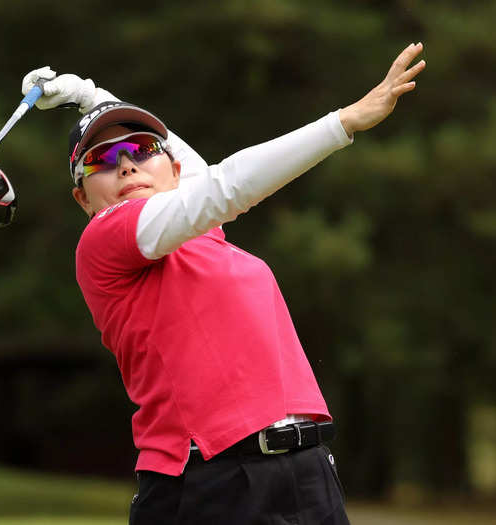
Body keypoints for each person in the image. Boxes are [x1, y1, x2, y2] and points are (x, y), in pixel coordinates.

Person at [22, 43, 425, 525]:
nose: (126, 165)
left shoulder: (202, 232)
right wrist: (345, 121)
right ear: (82, 198)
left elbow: (202, 179)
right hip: (208, 481)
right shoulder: (105, 239)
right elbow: (224, 187)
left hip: (305, 469)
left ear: (173, 169)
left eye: (141, 151)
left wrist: (85, 95)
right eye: (100, 161)